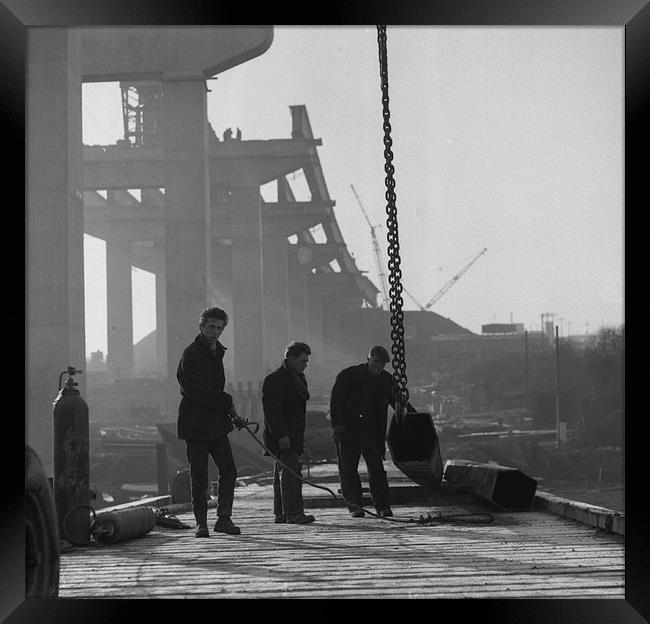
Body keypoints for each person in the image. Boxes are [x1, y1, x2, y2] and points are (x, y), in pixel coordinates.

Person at [177, 307, 243, 538]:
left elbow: (212, 390)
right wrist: (226, 400)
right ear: (202, 326)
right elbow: (195, 390)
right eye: (211, 327)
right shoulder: (192, 354)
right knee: (199, 475)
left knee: (228, 470)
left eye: (219, 327)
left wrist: (226, 407)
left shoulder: (216, 352)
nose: (215, 331)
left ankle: (223, 518)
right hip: (196, 423)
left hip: (215, 422)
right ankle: (201, 524)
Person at [330, 345, 414, 518]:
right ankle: (355, 506)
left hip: (372, 432)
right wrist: (337, 426)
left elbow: (398, 400)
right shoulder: (349, 376)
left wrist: (413, 414)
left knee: (376, 469)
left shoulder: (386, 380)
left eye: (382, 364)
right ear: (368, 359)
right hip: (348, 431)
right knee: (348, 469)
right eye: (375, 362)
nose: (378, 367)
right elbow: (336, 401)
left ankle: (382, 506)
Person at [262, 341, 315, 525]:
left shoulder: (298, 378)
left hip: (293, 435)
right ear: (290, 358)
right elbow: (272, 411)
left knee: (283, 473)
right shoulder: (275, 380)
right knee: (292, 472)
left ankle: (282, 513)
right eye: (302, 361)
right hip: (283, 436)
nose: (305, 365)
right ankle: (293, 513)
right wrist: (281, 435)